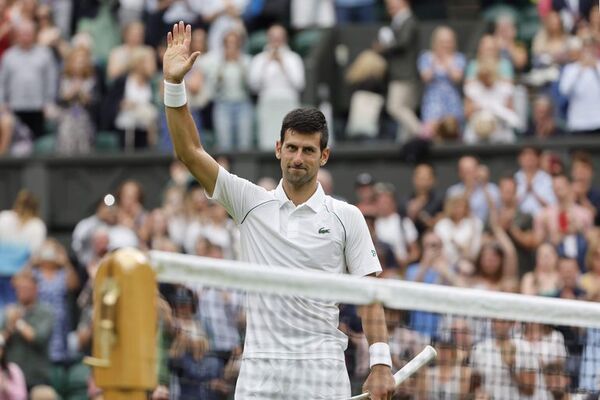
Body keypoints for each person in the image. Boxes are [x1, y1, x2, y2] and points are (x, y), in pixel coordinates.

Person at [162, 21, 395, 399]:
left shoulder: (346, 216)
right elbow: (189, 152)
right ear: (277, 149)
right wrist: (174, 85)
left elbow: (370, 294)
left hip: (322, 367)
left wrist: (381, 362)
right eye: (291, 148)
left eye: (307, 150)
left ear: (324, 156)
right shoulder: (250, 203)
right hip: (260, 370)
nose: (297, 158)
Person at [1, 270, 54, 391]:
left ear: (35, 289)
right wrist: (9, 326)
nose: (21, 291)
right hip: (12, 380)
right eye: (19, 288)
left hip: (37, 379)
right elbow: (1, 341)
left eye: (26, 288)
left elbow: (38, 338)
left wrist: (18, 322)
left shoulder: (45, 312)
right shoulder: (10, 312)